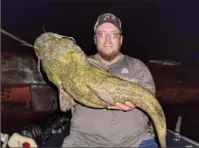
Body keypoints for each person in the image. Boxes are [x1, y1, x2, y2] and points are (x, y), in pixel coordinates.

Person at [61, 12, 158, 147]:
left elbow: (150, 97)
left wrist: (136, 98)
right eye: (102, 34)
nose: (108, 40)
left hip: (136, 141)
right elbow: (64, 104)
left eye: (113, 34)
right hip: (84, 142)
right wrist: (71, 93)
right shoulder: (77, 65)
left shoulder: (137, 66)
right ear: (95, 39)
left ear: (120, 40)